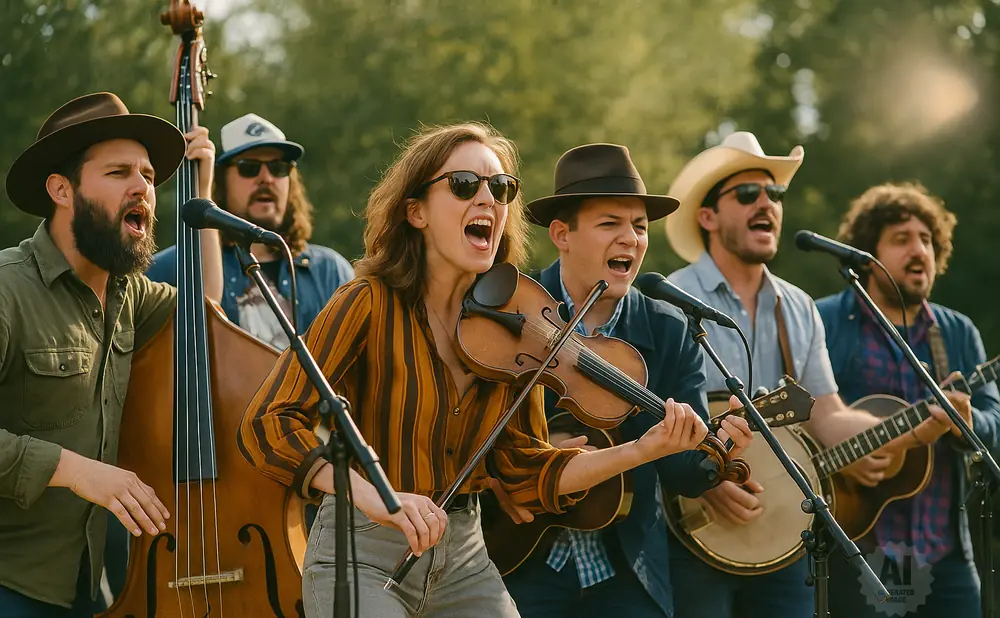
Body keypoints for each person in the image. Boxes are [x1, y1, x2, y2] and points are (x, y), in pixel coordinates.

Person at [237, 123, 720, 618]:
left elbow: (528, 469)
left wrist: (642, 449)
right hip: (364, 550)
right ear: (416, 210)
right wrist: (374, 496)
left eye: (501, 188)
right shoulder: (368, 302)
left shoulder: (519, 325)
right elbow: (269, 420)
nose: (488, 199)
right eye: (465, 185)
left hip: (464, 554)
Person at [496, 143, 753, 618]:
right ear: (562, 233)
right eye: (610, 223)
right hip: (518, 559)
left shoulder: (667, 329)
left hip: (625, 570)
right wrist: (532, 452)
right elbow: (470, 424)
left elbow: (681, 474)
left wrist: (718, 449)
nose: (631, 239)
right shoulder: (514, 309)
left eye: (639, 226)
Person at [0, 92, 220, 616]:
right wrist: (76, 470)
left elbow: (205, 311)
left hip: (83, 588)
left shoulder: (128, 294)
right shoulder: (7, 289)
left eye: (147, 174)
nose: (142, 186)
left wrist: (203, 196)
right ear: (62, 189)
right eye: (119, 172)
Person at [663, 131, 899, 617]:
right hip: (692, 534)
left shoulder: (798, 306)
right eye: (748, 194)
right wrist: (701, 480)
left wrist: (911, 428)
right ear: (707, 217)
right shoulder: (668, 301)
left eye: (775, 194)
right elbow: (649, 420)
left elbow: (825, 415)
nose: (766, 203)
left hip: (786, 537)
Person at [817, 182, 1000, 617]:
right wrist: (845, 453)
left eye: (927, 241)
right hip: (855, 547)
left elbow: (995, 424)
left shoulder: (957, 332)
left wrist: (967, 422)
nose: (919, 250)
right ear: (866, 255)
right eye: (901, 240)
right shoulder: (823, 320)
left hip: (944, 555)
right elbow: (794, 415)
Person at [147, 113, 354, 350]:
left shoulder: (331, 272)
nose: (266, 178)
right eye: (249, 168)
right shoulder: (176, 266)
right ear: (222, 180)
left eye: (278, 167)